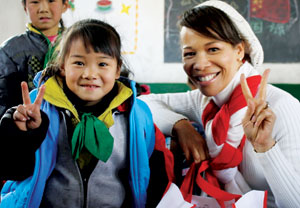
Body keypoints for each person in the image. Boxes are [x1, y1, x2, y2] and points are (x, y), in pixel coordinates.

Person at [140, 1, 300, 207]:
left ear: (240, 51)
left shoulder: (281, 106)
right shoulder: (203, 102)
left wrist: (265, 146)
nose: (199, 64)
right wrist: (180, 125)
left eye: (213, 49)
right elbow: (143, 102)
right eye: (189, 53)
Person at [0, 19, 174, 208]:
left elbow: (157, 174)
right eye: (79, 62)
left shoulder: (137, 116)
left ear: (117, 69)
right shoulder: (37, 110)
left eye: (102, 64)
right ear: (63, 66)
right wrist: (23, 134)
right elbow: (12, 170)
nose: (90, 73)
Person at [0, 0, 69, 118]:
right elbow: (3, 101)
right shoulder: (9, 49)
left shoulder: (79, 45)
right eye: (35, 2)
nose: (43, 9)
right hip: (25, 125)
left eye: (51, 1)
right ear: (25, 7)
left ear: (65, 5)